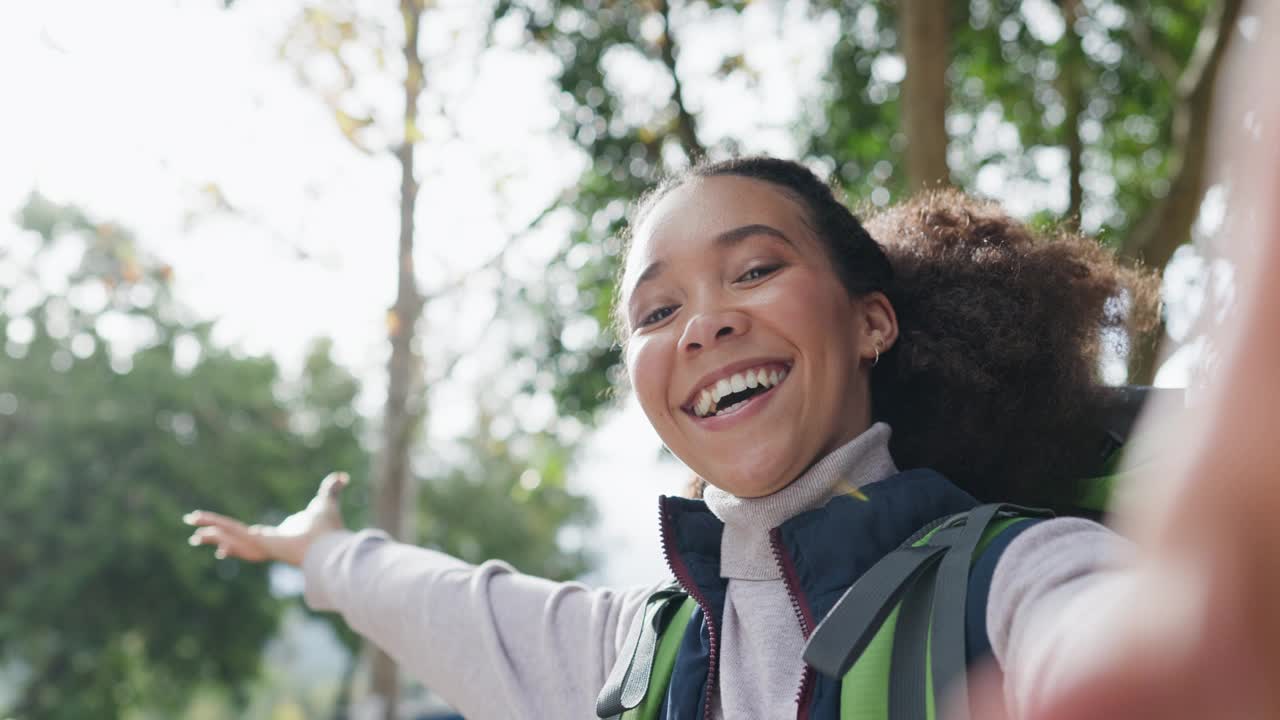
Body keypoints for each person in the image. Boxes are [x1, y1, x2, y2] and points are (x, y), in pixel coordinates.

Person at [186, 158, 1176, 719]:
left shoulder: (1012, 582)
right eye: (656, 311)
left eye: (751, 272)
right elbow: (450, 606)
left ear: (870, 321)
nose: (701, 324)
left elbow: (1136, 650)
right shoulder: (642, 657)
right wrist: (319, 551)